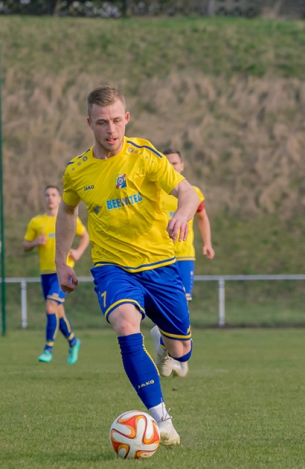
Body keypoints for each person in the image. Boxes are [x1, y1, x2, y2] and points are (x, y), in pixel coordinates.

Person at [54, 86, 200, 447]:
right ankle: (161, 419)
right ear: (90, 123)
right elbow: (67, 210)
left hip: (161, 263)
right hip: (112, 267)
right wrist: (62, 261)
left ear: (127, 119)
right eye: (102, 122)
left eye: (117, 120)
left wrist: (182, 212)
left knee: (181, 351)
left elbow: (188, 193)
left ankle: (164, 339)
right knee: (123, 323)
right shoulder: (77, 171)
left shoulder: (145, 154)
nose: (111, 130)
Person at [157, 148, 215, 378]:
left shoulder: (193, 192)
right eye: (167, 163)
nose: (171, 166)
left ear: (182, 166)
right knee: (164, 306)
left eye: (175, 163)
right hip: (160, 256)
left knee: (182, 305)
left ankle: (177, 354)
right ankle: (171, 349)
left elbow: (202, 217)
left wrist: (207, 243)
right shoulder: (156, 191)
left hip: (184, 256)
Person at [23, 186, 89, 364]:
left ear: (60, 198)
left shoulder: (67, 217)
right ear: (43, 199)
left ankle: (48, 349)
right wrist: (35, 242)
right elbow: (25, 245)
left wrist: (79, 252)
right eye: (47, 195)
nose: (50, 198)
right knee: (58, 312)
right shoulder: (36, 221)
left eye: (53, 195)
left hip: (64, 270)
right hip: (46, 273)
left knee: (51, 306)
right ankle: (74, 342)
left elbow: (85, 236)